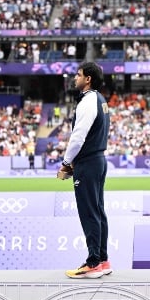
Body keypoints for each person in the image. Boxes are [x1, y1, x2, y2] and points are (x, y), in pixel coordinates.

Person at [57, 62, 112, 279]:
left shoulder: (88, 101)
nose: (75, 78)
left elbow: (78, 136)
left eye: (78, 75)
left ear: (87, 78)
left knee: (89, 213)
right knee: (98, 212)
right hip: (97, 159)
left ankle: (93, 262)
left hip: (88, 162)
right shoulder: (100, 100)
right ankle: (103, 260)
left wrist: (66, 162)